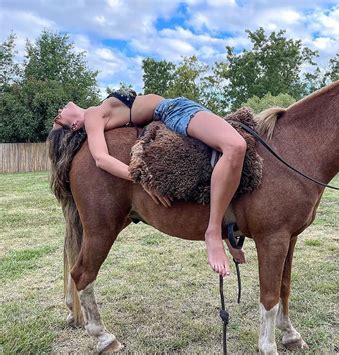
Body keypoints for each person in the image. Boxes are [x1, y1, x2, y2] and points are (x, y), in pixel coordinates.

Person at [52, 90, 246, 276]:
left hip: (172, 111)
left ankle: (227, 233)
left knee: (217, 154)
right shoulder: (93, 114)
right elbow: (101, 159)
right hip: (173, 109)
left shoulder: (103, 113)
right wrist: (141, 177)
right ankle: (213, 233)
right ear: (75, 124)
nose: (59, 110)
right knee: (235, 146)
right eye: (58, 118)